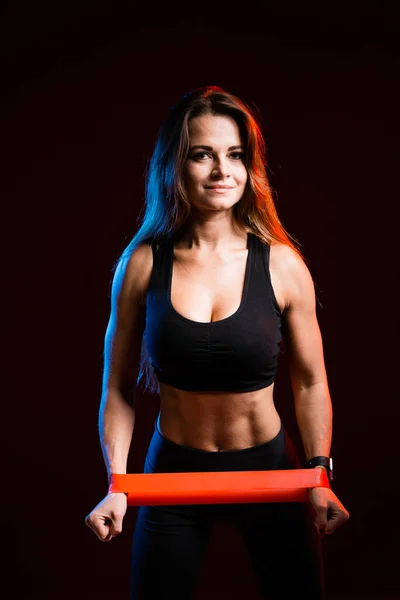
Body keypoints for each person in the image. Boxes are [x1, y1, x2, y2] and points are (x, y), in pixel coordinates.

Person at [85, 85, 350, 599]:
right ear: (175, 165)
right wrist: (117, 484)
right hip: (174, 472)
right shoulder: (140, 264)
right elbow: (116, 387)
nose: (221, 171)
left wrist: (319, 475)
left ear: (250, 168)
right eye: (202, 154)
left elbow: (311, 382)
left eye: (235, 156)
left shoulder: (282, 265)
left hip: (270, 470)